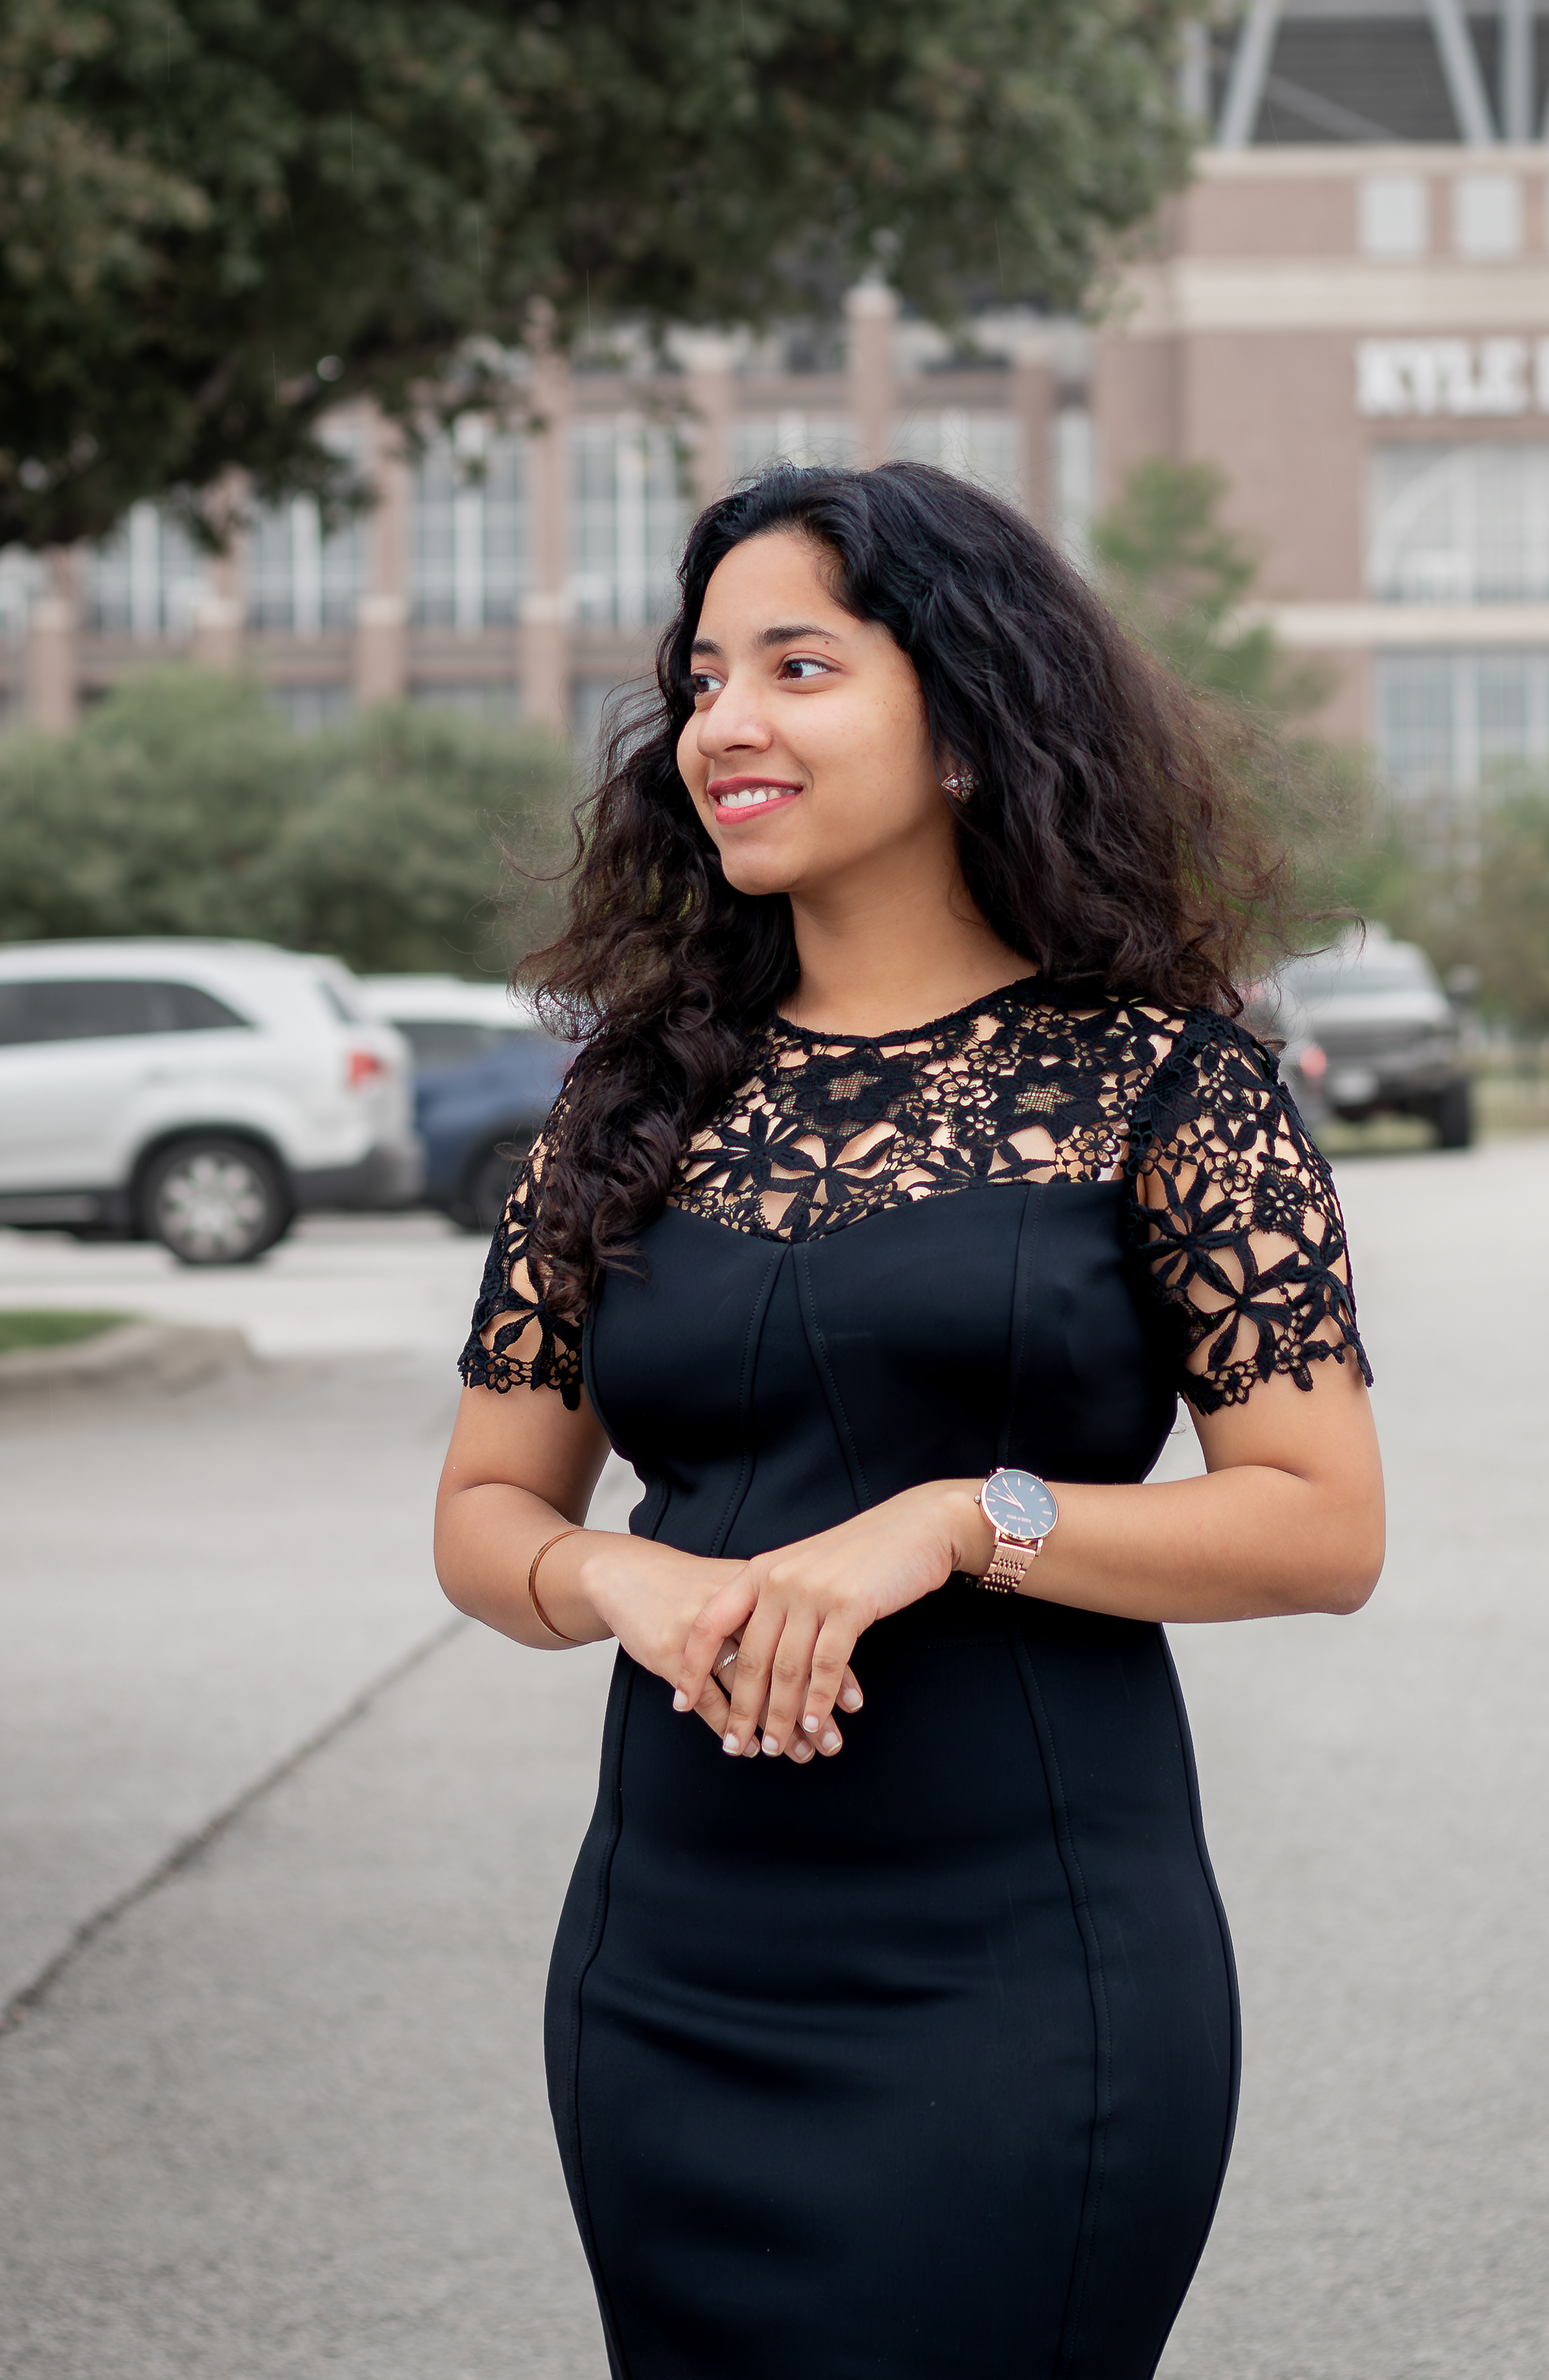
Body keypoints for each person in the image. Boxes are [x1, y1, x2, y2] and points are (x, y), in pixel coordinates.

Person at [434, 460, 1384, 2380]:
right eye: (702, 679)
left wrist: (963, 1517)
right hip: (669, 1971)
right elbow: (482, 1509)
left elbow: (1320, 1522)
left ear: (966, 719)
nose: (727, 725)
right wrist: (611, 1574)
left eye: (798, 665)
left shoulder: (1167, 1081)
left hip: (1028, 1970)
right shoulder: (629, 1096)